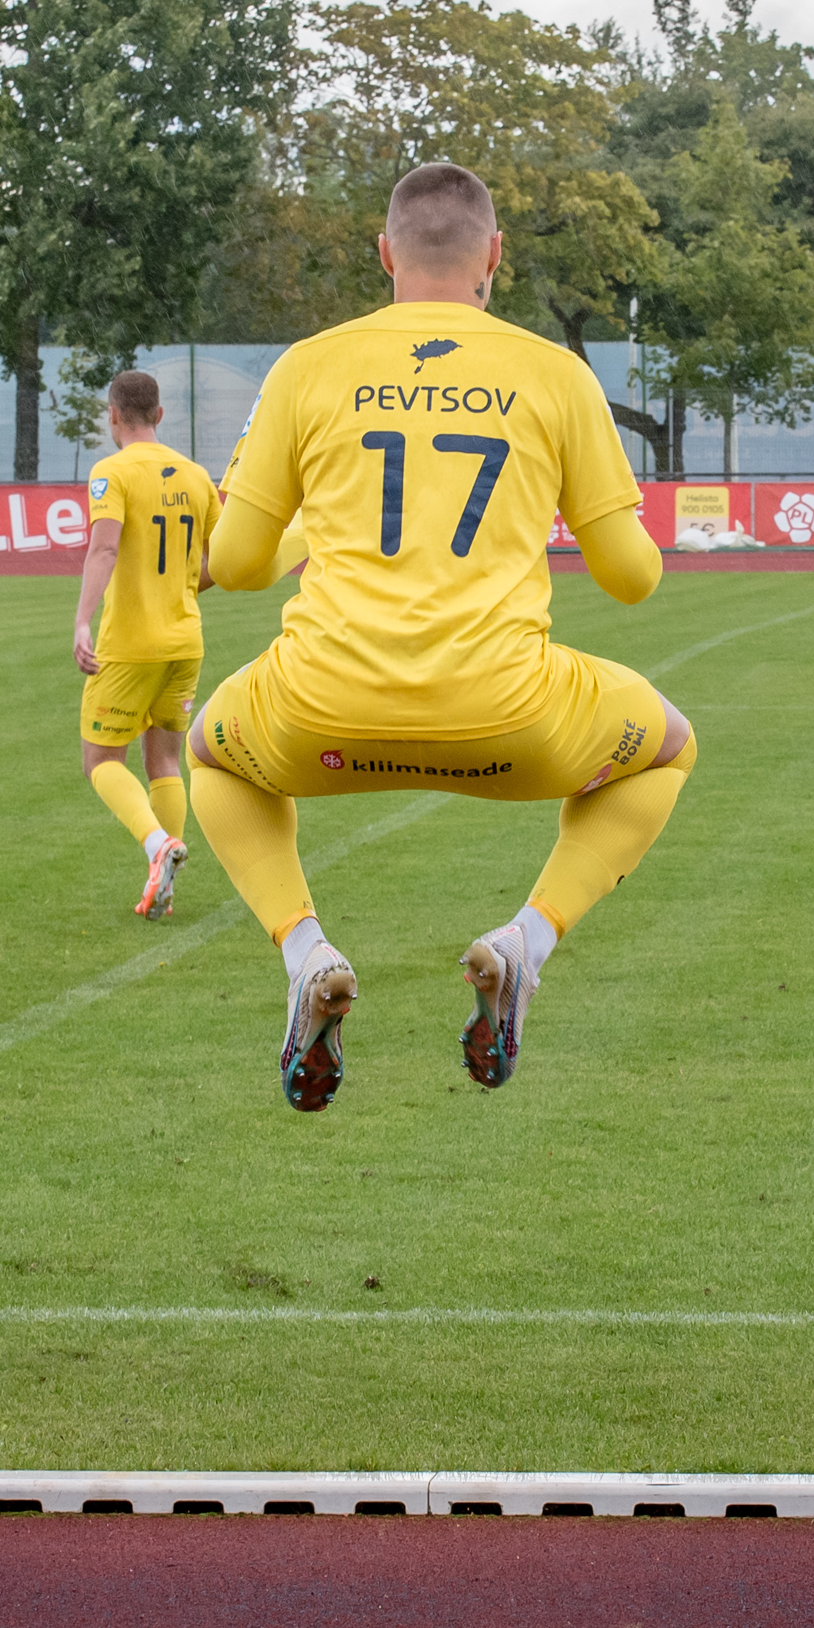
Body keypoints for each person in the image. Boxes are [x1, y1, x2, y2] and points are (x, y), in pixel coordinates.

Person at [190, 161, 696, 1113]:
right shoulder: (555, 373)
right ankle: (525, 946)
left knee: (210, 754)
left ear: (383, 255)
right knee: (668, 744)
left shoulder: (309, 364)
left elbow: (243, 563)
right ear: (494, 258)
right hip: (510, 725)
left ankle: (307, 953)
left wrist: (313, 530)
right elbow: (634, 579)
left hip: (321, 719)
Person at [73, 370, 219, 918]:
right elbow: (217, 562)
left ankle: (158, 846)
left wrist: (83, 621)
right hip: (185, 643)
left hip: (131, 644)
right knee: (164, 760)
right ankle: (166, 887)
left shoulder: (111, 473)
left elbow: (104, 550)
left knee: (100, 760)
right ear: (159, 415)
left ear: (113, 415)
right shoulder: (197, 476)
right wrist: (182, 585)